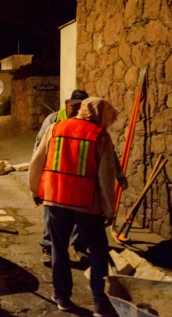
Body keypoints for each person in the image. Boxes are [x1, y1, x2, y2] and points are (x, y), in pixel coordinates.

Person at [29, 97, 119, 317]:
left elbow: (38, 160)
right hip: (86, 203)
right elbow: (106, 177)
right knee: (98, 250)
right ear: (100, 114)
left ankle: (62, 297)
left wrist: (35, 190)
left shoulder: (55, 127)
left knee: (58, 248)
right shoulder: (100, 136)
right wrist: (109, 210)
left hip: (55, 198)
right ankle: (100, 304)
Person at [34, 90, 128, 264]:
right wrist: (109, 210)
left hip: (63, 193)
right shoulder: (55, 122)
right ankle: (98, 289)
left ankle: (74, 256)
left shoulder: (94, 133)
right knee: (95, 245)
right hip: (71, 193)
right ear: (67, 104)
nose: (77, 108)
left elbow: (109, 160)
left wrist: (120, 174)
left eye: (81, 105)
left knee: (61, 243)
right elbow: (39, 152)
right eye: (74, 104)